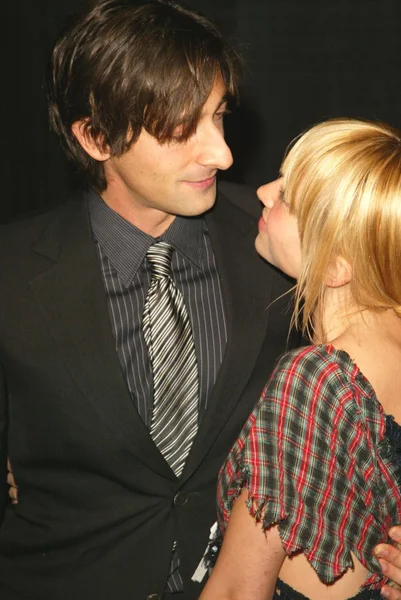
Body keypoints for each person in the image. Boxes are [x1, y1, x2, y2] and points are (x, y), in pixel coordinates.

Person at [0, 1, 300, 599]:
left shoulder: (282, 239)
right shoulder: (11, 271)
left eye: (219, 117)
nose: (222, 153)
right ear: (95, 136)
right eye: (182, 127)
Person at [199, 118, 401, 600]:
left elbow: (234, 592)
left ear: (335, 265)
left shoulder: (318, 378)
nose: (264, 191)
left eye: (289, 197)